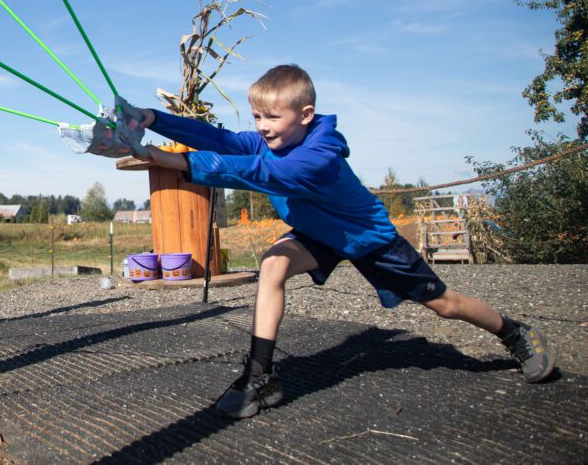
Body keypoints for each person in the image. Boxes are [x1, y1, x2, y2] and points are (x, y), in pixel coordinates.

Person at [117, 64, 555, 419]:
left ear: (305, 115)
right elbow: (222, 139)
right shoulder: (269, 140)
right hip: (316, 235)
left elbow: (259, 174)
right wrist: (153, 119)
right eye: (257, 116)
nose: (262, 127)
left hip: (367, 238)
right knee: (273, 265)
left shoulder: (318, 157)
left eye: (273, 117)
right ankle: (259, 376)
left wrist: (161, 157)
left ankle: (515, 333)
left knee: (445, 304)